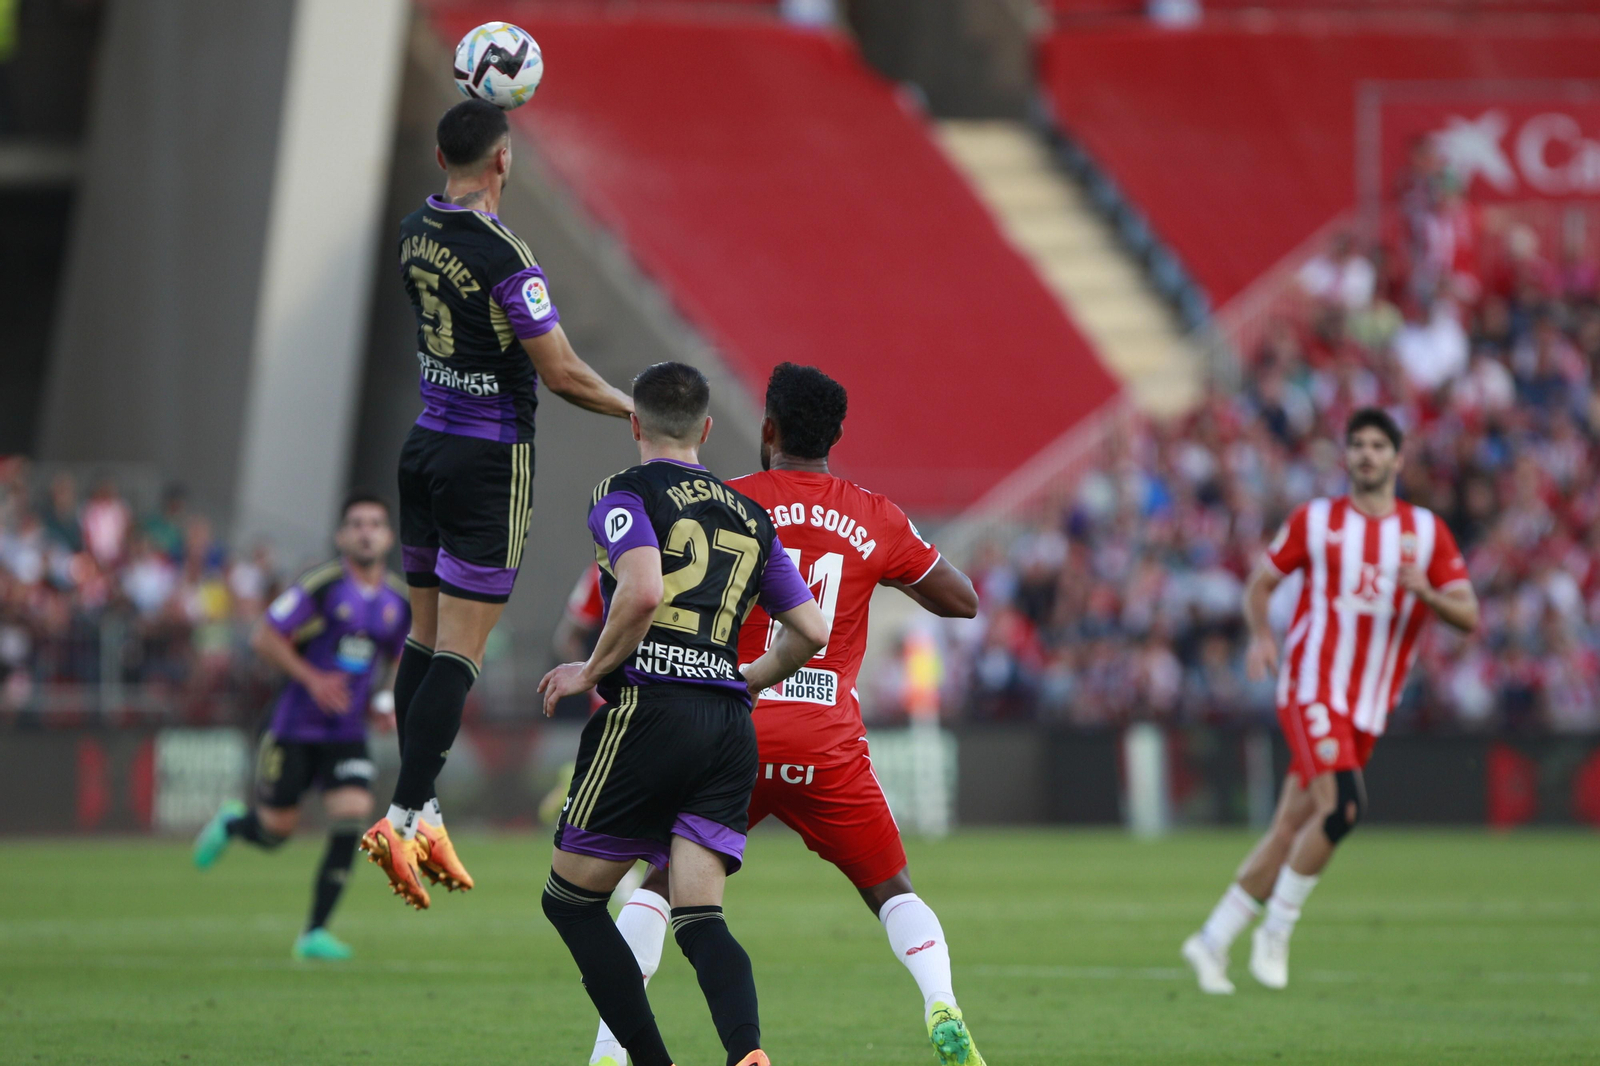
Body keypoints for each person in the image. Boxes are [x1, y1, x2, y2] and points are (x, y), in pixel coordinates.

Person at [587, 362, 987, 1066]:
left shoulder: (727, 502)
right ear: (835, 436)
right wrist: (883, 562)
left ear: (767, 428)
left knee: (660, 881)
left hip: (727, 730)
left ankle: (608, 1052)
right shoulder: (875, 515)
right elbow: (963, 600)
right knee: (891, 889)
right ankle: (940, 999)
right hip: (826, 744)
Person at [362, 98, 634, 908]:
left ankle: (424, 810)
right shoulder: (507, 255)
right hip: (488, 457)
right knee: (462, 650)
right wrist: (637, 411)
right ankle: (403, 816)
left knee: (424, 636)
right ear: (502, 160)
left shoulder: (414, 229)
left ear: (442, 156)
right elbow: (562, 373)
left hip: (424, 444)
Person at [537, 361, 829, 1066]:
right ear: (705, 428)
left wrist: (589, 670)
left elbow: (641, 590)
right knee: (700, 917)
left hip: (650, 711)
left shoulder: (625, 491)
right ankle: (747, 1053)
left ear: (635, 423)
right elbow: (812, 631)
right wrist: (743, 680)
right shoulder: (750, 515)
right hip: (727, 727)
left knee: (569, 901)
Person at [1182, 408, 1479, 994]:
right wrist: (1262, 637)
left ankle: (1212, 939)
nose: (1367, 454)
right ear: (1347, 456)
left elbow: (1468, 613)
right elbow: (1261, 584)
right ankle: (1277, 929)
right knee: (1342, 808)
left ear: (1398, 458)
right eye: (1358, 444)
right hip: (1313, 685)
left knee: (1291, 826)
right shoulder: (1315, 521)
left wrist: (1429, 594)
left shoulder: (1426, 533)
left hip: (1369, 703)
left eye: (1378, 445)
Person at [192, 493, 410, 960]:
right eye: (357, 524)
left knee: (352, 814)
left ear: (389, 537)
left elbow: (400, 654)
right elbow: (264, 636)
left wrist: (386, 699)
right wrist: (313, 679)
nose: (366, 532)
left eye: (375, 524)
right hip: (295, 726)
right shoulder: (322, 586)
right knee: (276, 832)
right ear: (341, 536)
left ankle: (314, 932)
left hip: (346, 731)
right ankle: (234, 824)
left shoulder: (396, 599)